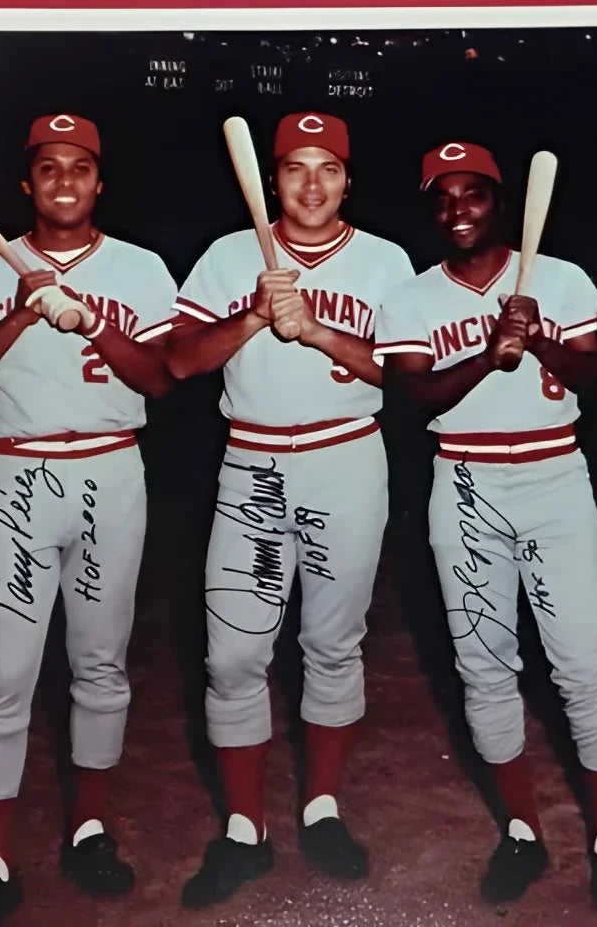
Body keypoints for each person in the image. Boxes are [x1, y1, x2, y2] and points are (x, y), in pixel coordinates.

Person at [374, 140, 597, 917]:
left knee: (582, 666)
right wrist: (490, 355)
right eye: (443, 197)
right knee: (485, 666)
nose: (458, 210)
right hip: (461, 484)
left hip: (555, 477)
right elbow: (415, 395)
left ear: (499, 201)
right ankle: (523, 833)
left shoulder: (557, 278)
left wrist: (541, 338)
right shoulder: (411, 297)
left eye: (474, 194)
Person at [164, 111, 415, 909]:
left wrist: (317, 330)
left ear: (349, 179)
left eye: (329, 169)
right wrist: (250, 315)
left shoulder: (386, 261)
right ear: (273, 179)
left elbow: (405, 379)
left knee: (333, 644)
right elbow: (177, 360)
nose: (313, 184)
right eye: (297, 168)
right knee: (234, 656)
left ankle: (322, 809)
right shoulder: (228, 255)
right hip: (255, 464)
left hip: (345, 458)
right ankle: (245, 830)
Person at [0, 112, 177, 925]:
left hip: (110, 469)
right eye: (46, 167)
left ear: (98, 181)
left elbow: (160, 379)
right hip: (17, 472)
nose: (62, 181)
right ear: (26, 183)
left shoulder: (141, 267)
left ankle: (89, 829)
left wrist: (92, 321)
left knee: (100, 665)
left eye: (77, 167)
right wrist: (20, 311)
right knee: (5, 674)